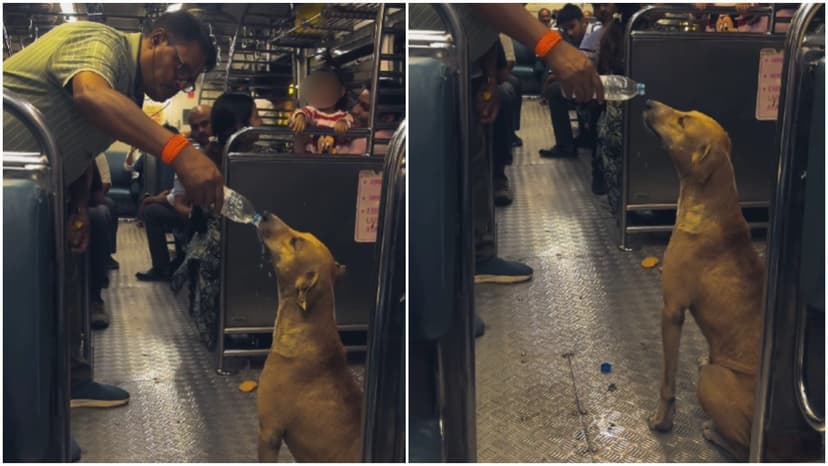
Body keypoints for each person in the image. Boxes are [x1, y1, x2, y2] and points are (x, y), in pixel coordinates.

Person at [2, 11, 221, 452]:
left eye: (189, 80)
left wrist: (78, 209)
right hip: (10, 180)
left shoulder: (130, 94)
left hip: (28, 192)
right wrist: (180, 152)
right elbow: (88, 96)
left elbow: (79, 148)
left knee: (47, 297)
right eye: (181, 68)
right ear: (157, 39)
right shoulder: (100, 42)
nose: (181, 84)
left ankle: (56, 399)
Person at [411, 3, 603, 336]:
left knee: (469, 167)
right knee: (435, 185)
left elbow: (485, 29)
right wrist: (551, 45)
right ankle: (430, 305)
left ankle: (475, 260)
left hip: (461, 65)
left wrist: (487, 82)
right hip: (422, 61)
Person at [171, 92, 262, 349]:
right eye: (256, 116)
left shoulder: (260, 155)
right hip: (219, 232)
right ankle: (216, 331)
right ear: (238, 125)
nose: (261, 122)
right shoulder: (209, 160)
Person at [290, 67, 354, 154]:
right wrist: (300, 117)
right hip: (311, 160)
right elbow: (302, 112)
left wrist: (343, 124)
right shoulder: (312, 111)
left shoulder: (343, 116)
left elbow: (349, 126)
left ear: (341, 92)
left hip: (335, 163)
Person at [347, 80, 403, 155]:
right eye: (357, 103)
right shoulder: (400, 141)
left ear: (387, 118)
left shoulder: (363, 145)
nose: (354, 110)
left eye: (365, 107)